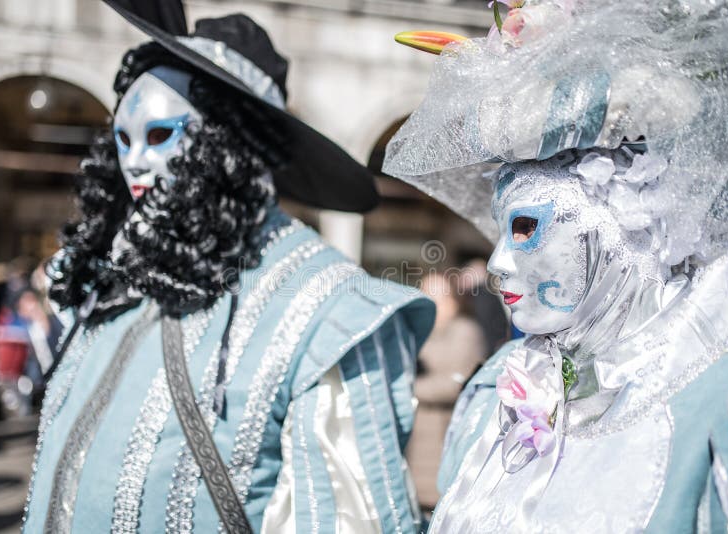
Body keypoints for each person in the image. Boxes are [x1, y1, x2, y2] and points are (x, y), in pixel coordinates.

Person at [23, 2, 434, 533]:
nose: (135, 164)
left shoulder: (330, 309)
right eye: (122, 139)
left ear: (232, 142)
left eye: (160, 135)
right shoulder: (120, 284)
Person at [383, 1, 728, 531]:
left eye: (525, 227)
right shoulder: (499, 387)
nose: (498, 263)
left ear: (625, 217)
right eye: (503, 231)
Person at [407, 272, 485, 512]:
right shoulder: (417, 332)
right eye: (425, 295)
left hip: (443, 438)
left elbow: (457, 382)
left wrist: (410, 388)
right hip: (415, 444)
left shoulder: (466, 330)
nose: (431, 302)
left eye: (438, 296)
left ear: (454, 300)